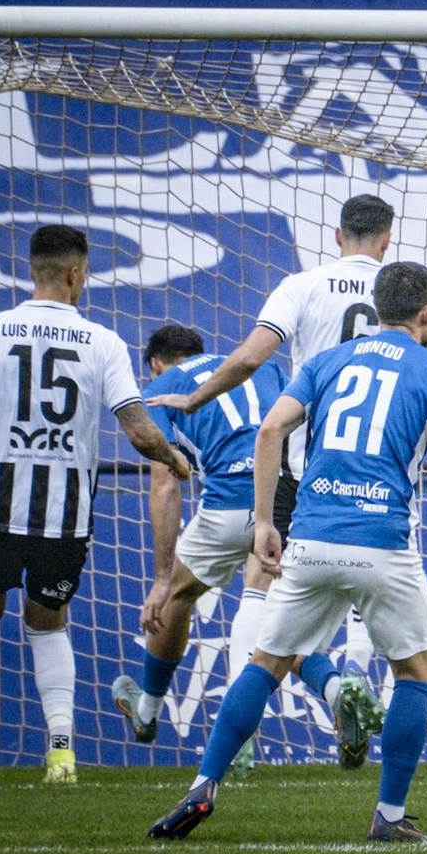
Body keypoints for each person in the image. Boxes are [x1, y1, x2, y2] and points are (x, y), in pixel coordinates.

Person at [148, 262, 427, 843]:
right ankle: (388, 816)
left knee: (266, 662)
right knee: (415, 673)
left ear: (376, 306)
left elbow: (270, 431)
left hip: (311, 535)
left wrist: (265, 521)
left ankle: (202, 787)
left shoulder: (324, 362)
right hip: (381, 542)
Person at [0, 224, 193, 782]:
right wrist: (173, 458)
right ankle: (60, 750)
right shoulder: (101, 342)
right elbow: (138, 430)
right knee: (48, 625)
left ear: (33, 269)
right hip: (64, 516)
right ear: (76, 274)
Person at [146, 194, 427, 678]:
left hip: (306, 470)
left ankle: (246, 724)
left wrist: (194, 399)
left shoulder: (301, 286)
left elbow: (248, 358)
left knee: (264, 585)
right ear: (388, 241)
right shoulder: (404, 296)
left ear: (338, 236)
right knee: (376, 589)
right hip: (380, 473)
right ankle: (353, 681)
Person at [110, 323, 297, 776]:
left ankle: (149, 710)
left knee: (176, 595)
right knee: (282, 613)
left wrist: (159, 579)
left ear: (155, 362)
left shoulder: (161, 388)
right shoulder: (262, 368)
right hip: (283, 498)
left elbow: (165, 484)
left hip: (225, 508)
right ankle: (328, 689)